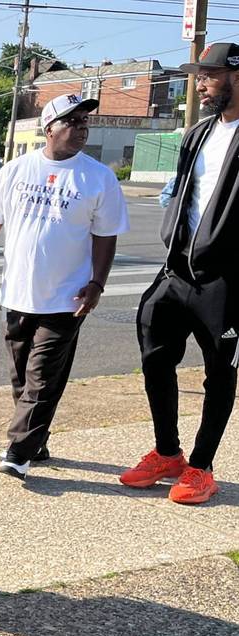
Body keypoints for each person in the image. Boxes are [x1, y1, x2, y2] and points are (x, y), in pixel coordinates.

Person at [119, 42, 239, 505]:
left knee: (220, 372)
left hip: (226, 280)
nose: (201, 82)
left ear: (235, 76)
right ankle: (168, 452)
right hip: (178, 268)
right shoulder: (197, 134)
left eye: (209, 74)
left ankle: (202, 466)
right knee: (154, 350)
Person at [0, 94, 129, 480]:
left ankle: (18, 451)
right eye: (73, 122)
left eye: (86, 122)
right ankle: (38, 438)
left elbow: (105, 236)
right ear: (49, 128)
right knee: (22, 376)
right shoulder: (15, 171)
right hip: (17, 293)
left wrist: (97, 283)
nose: (82, 129)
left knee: (43, 376)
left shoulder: (98, 177)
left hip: (66, 297)